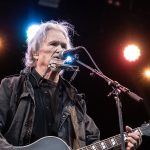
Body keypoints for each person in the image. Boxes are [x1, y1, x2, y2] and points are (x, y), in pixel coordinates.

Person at [0, 20, 142, 150]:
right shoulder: (11, 87)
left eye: (63, 46)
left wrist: (121, 144)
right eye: (53, 44)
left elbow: (93, 142)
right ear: (35, 53)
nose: (60, 50)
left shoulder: (74, 100)